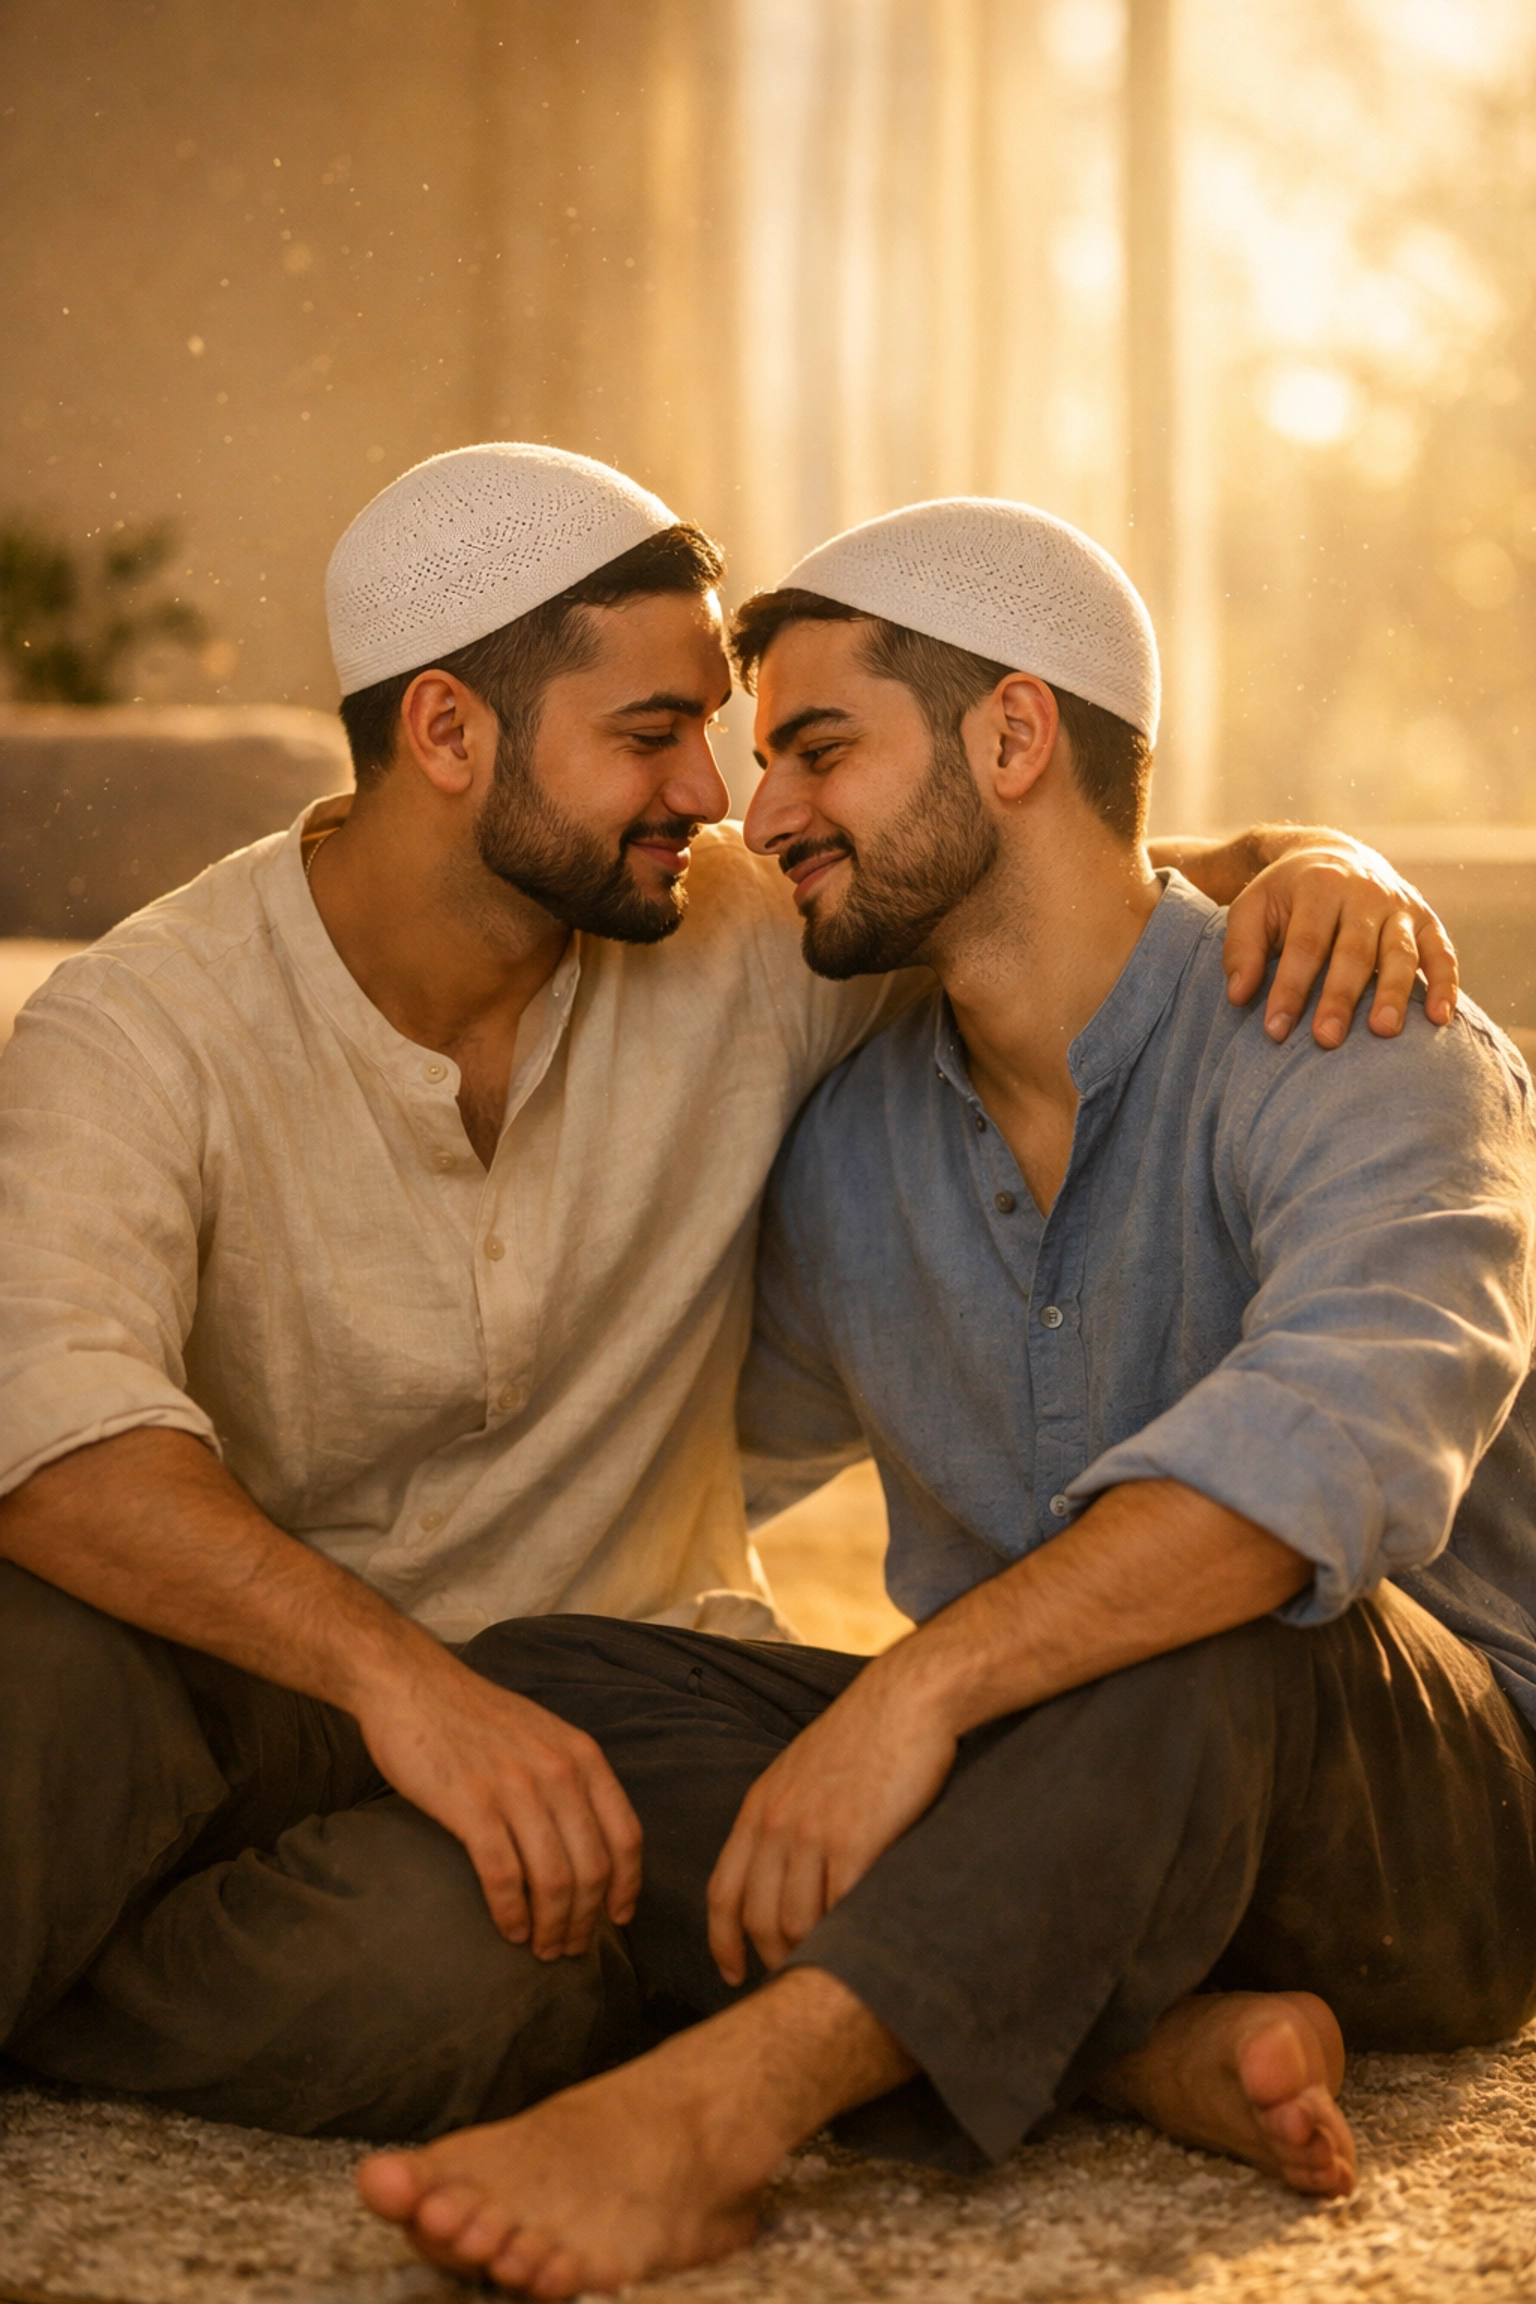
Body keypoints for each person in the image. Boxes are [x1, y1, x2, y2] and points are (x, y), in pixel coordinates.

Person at [0, 447, 1451, 2136]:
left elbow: (1055, 879)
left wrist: (1329, 858)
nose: (716, 793)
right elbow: (54, 1432)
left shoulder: (732, 942)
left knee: (473, 1981)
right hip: (245, 1681)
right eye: (653, 734)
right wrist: (404, 1690)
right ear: (450, 734)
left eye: (733, 734)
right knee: (33, 1669)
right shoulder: (139, 1022)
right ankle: (1095, 2044)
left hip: (599, 1740)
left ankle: (88, 1979)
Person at [355, 497, 1536, 2299]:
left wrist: (927, 1690)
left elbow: (1338, 1446)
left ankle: (711, 2123)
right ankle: (1145, 2043)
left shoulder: (1358, 1026)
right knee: (549, 1681)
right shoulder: (857, 1141)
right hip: (1065, 1786)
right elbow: (672, 1460)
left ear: (1013, 733)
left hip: (1429, 1815)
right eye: (763, 765)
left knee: (1221, 1600)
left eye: (819, 749)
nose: (761, 817)